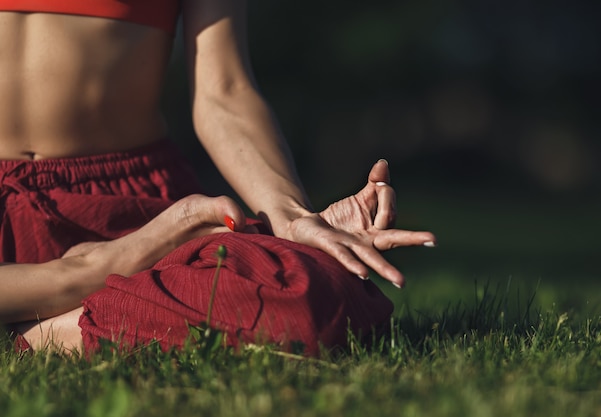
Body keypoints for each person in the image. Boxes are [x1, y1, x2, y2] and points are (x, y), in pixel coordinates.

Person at [0, 1, 436, 356]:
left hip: (125, 207)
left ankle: (42, 325)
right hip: (138, 236)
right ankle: (85, 282)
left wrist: (290, 216)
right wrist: (88, 269)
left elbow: (224, 89)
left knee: (312, 300)